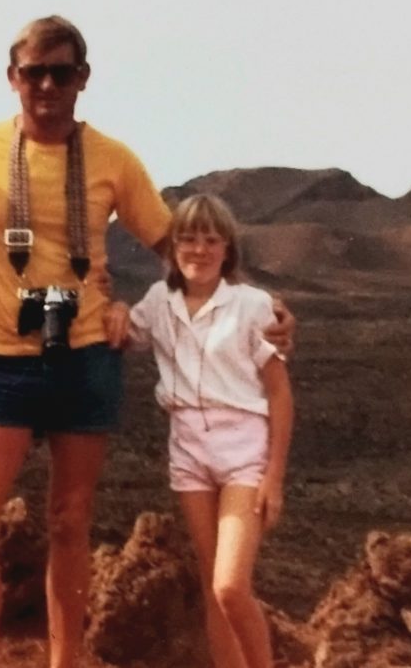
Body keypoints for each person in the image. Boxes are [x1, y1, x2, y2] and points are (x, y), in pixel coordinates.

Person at [0, 16, 294, 668]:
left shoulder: (112, 158)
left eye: (61, 72)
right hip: (3, 362)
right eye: (34, 72)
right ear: (12, 78)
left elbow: (179, 247)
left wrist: (261, 304)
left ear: (83, 78)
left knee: (70, 521)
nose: (46, 84)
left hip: (87, 356)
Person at [108, 193, 293, 668]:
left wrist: (274, 477)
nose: (199, 250)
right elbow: (124, 333)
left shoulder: (252, 305)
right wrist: (118, 307)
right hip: (188, 452)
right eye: (188, 239)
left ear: (228, 249)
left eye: (211, 240)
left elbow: (279, 394)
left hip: (243, 453)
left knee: (230, 585)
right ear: (173, 248)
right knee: (212, 584)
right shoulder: (159, 302)